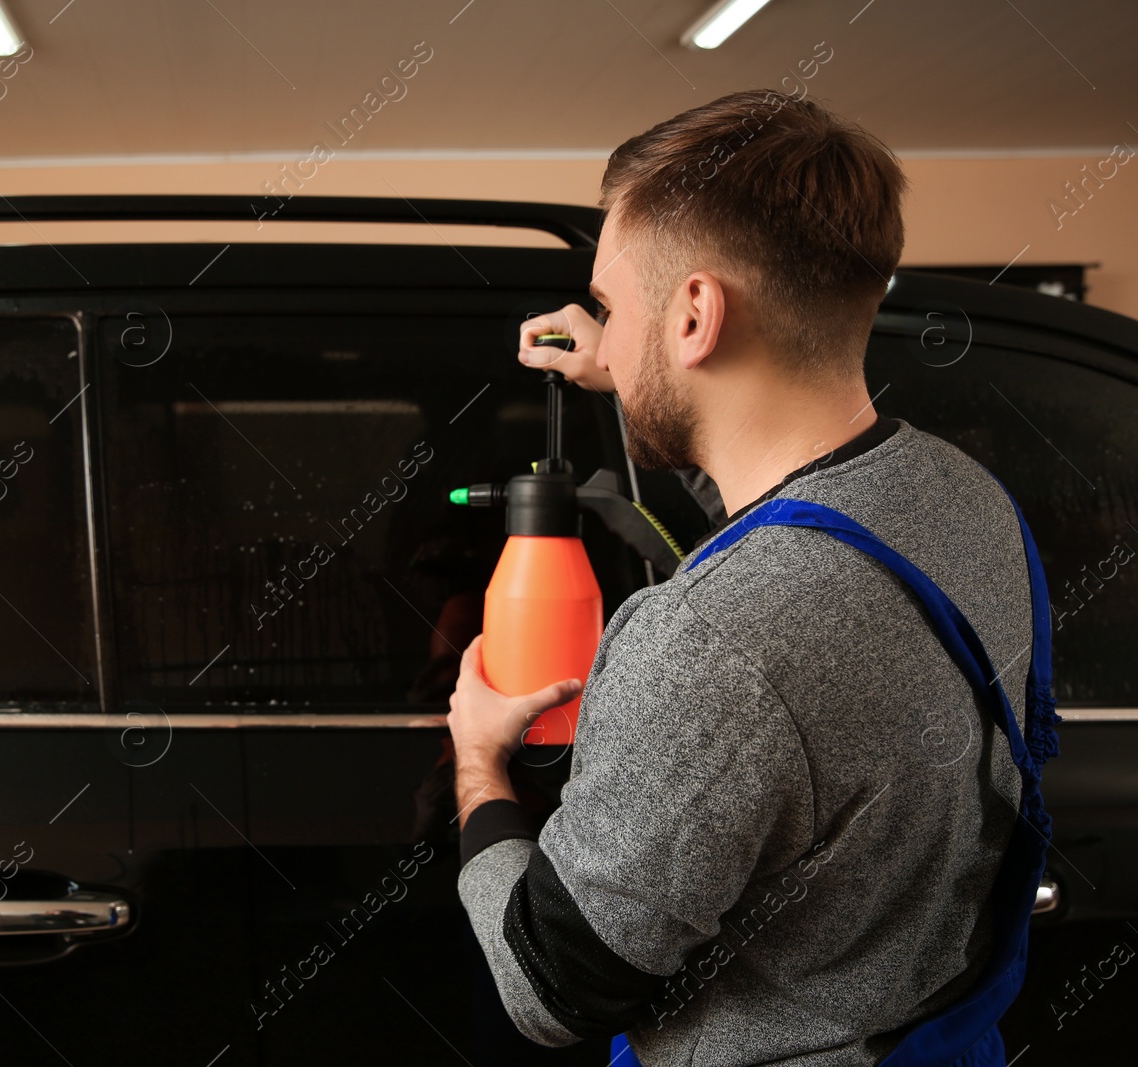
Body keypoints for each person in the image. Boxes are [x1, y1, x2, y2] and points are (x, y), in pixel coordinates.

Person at [448, 89, 1057, 1065]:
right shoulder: (960, 493)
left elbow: (546, 987)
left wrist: (478, 763)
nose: (600, 324)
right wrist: (627, 359)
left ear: (696, 314)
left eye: (611, 303)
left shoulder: (711, 633)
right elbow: (784, 502)